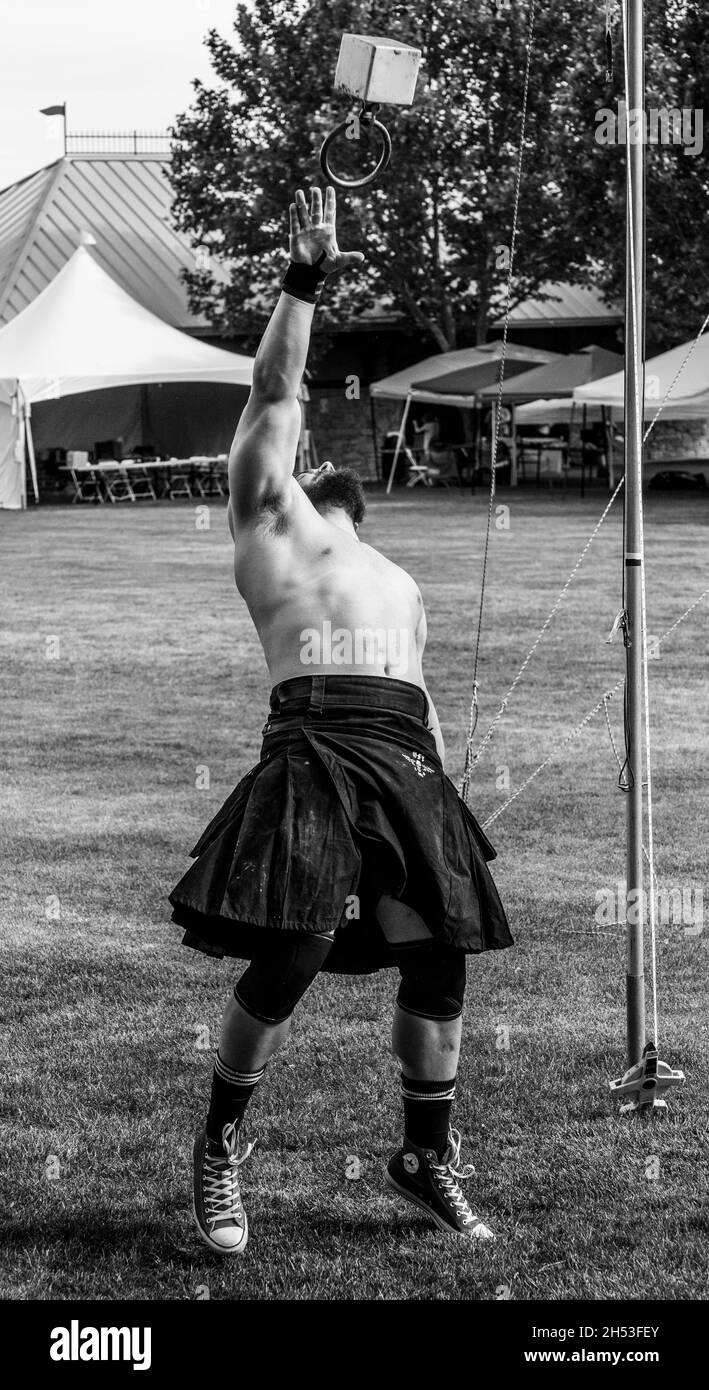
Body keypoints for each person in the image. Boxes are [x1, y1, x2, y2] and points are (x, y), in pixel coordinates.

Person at [168, 185, 513, 1255]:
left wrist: (442, 801)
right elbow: (274, 390)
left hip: (404, 749)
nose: (311, 453)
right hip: (314, 739)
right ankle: (221, 1147)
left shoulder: (397, 576)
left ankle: (422, 1157)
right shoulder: (269, 515)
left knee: (441, 956)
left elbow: (422, 694)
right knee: (298, 948)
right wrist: (305, 278)